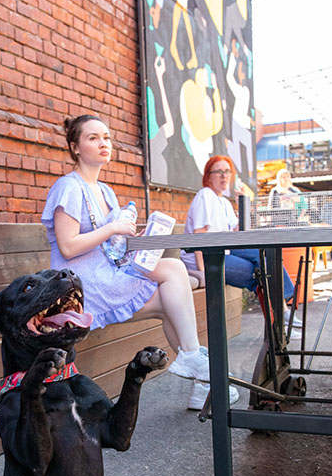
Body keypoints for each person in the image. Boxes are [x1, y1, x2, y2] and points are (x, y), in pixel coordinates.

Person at [41, 114, 211, 405]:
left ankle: (200, 377)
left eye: (106, 137)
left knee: (171, 292)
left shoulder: (105, 191)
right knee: (173, 273)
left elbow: (110, 245)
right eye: (93, 138)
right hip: (81, 284)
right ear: (75, 147)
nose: (103, 143)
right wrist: (113, 228)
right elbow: (68, 247)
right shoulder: (68, 187)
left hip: (107, 272)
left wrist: (133, 239)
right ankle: (200, 371)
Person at [181, 155, 301, 410]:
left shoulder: (224, 202)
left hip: (225, 251)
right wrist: (204, 272)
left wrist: (243, 205)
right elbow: (200, 237)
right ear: (208, 176)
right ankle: (283, 312)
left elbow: (238, 233)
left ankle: (282, 310)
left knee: (263, 256)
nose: (224, 176)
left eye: (227, 171)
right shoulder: (204, 196)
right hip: (207, 258)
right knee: (259, 271)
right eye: (218, 172)